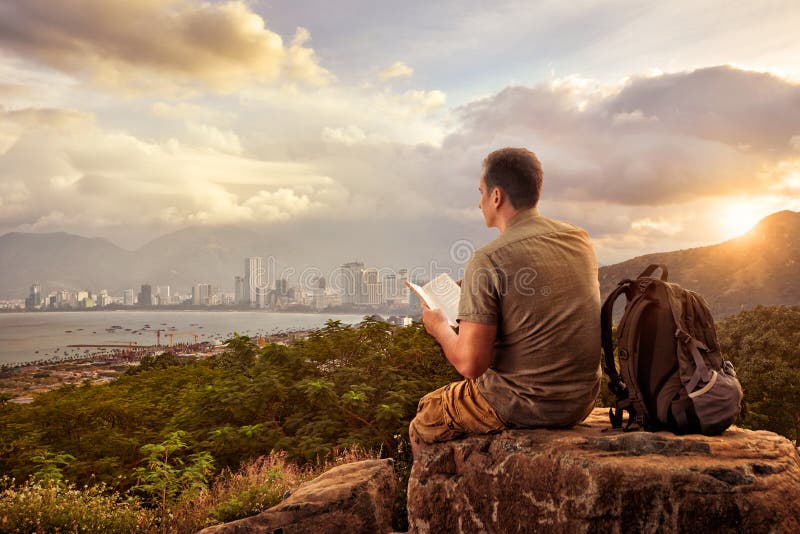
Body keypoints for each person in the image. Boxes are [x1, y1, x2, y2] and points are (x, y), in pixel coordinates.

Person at [409, 147, 601, 454]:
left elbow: (471, 364)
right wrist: (474, 288)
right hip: (582, 400)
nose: (479, 202)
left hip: (525, 405)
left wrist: (439, 327)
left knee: (427, 415)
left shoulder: (487, 259)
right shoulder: (577, 238)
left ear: (496, 196)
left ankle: (435, 498)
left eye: (482, 192)